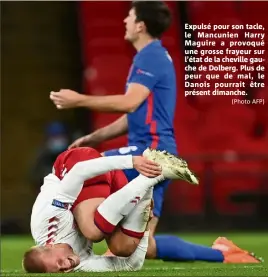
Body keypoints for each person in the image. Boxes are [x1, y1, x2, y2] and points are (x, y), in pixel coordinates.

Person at [49, 1, 261, 264]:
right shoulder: (151, 56)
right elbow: (134, 113)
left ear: (140, 25)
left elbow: (129, 102)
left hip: (151, 151)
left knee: (87, 169)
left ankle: (66, 242)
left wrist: (78, 99)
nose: (124, 21)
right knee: (143, 247)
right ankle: (223, 254)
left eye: (129, 16)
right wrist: (95, 137)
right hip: (159, 152)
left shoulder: (150, 56)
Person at [23, 148, 191, 273]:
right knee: (124, 247)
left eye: (59, 262)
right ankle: (150, 177)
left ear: (49, 246)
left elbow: (79, 172)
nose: (66, 267)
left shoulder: (47, 221)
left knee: (93, 231)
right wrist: (143, 208)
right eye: (60, 271)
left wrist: (132, 161)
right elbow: (130, 265)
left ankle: (158, 173)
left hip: (75, 165)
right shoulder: (78, 266)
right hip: (105, 186)